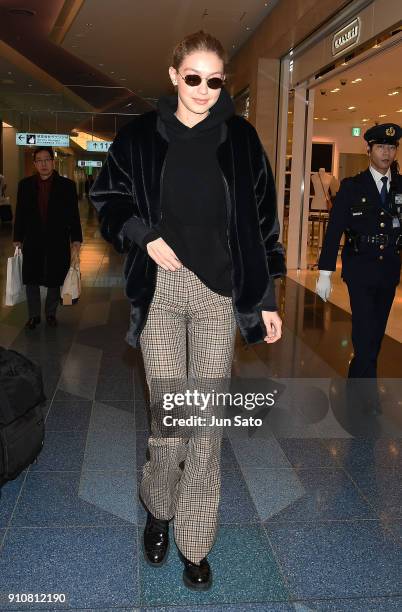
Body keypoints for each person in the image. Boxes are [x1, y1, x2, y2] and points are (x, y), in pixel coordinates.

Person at [90, 31, 285, 590]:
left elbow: (264, 225)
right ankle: (159, 505)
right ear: (174, 75)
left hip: (220, 295)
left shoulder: (243, 140)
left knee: (205, 425)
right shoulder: (138, 141)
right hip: (161, 292)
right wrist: (143, 235)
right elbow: (106, 198)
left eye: (215, 80)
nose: (204, 89)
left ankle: (195, 542)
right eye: (193, 78)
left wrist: (266, 298)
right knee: (171, 423)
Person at [316, 123, 402, 413]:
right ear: (369, 149)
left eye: (391, 148)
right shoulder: (353, 187)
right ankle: (365, 396)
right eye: (381, 147)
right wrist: (325, 272)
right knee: (364, 333)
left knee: (375, 334)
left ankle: (358, 384)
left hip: (389, 270)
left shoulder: (401, 186)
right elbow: (334, 230)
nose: (387, 153)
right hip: (360, 270)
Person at [13, 146, 83, 329]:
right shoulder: (25, 185)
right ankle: (34, 315)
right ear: (35, 164)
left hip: (57, 239)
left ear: (53, 161)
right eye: (39, 161)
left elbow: (74, 215)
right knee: (31, 278)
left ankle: (51, 313)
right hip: (32, 239)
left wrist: (76, 239)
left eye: (47, 160)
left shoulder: (67, 186)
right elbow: (20, 213)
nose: (43, 164)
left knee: (55, 277)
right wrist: (17, 237)